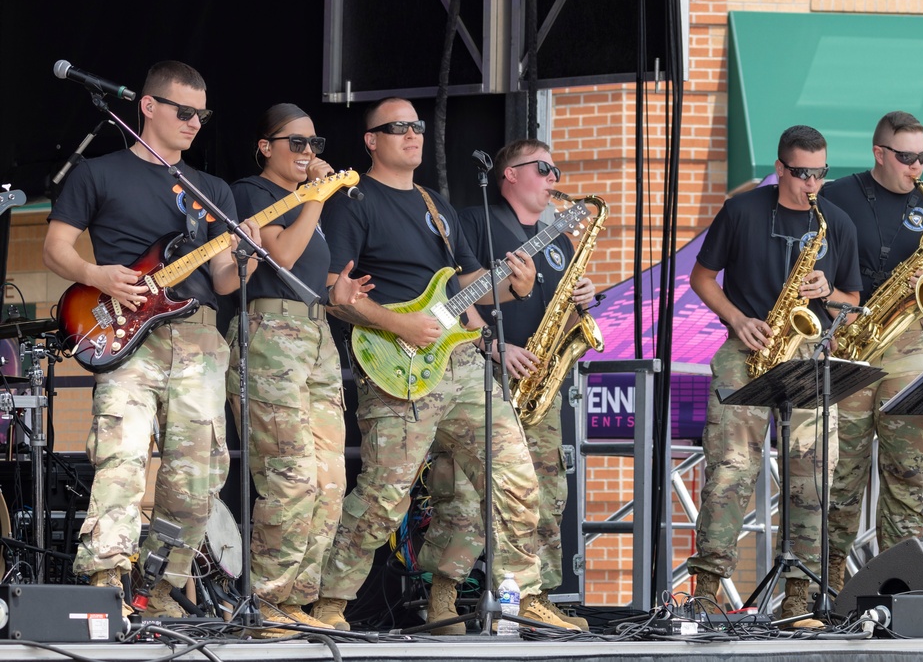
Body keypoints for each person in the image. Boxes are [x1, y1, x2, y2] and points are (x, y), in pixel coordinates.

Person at [315, 96, 581, 631]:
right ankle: (327, 604)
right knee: (384, 495)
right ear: (371, 140)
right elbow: (332, 292)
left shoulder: (435, 203)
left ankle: (517, 596)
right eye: (399, 128)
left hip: (461, 363)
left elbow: (461, 286)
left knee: (514, 478)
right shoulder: (354, 200)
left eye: (417, 126)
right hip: (396, 363)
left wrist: (511, 286)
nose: (413, 134)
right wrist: (401, 325)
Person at [43, 61, 261, 617]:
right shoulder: (99, 172)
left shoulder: (209, 189)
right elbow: (56, 248)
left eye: (202, 114)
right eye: (184, 111)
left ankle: (160, 588)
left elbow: (223, 281)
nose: (195, 122)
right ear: (147, 106)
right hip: (127, 330)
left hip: (199, 338)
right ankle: (107, 585)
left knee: (199, 474)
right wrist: (97, 275)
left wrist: (248, 259)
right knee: (122, 459)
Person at [416, 139, 595, 633]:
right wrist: (493, 345)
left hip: (539, 377)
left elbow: (568, 311)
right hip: (484, 369)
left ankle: (531, 600)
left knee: (545, 490)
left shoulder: (560, 238)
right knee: (465, 492)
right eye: (543, 168)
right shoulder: (475, 220)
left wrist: (585, 298)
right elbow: (455, 291)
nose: (554, 177)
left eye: (556, 168)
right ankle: (444, 598)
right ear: (509, 174)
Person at [687, 125, 862, 626]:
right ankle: (705, 591)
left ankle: (799, 601)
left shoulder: (837, 223)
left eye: (821, 173)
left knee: (811, 480)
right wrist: (737, 318)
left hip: (808, 352)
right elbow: (701, 278)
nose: (813, 183)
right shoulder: (743, 210)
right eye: (803, 173)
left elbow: (851, 302)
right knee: (730, 473)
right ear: (781, 168)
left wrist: (828, 292)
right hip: (748, 347)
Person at [226, 103, 372, 635]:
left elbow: (309, 275)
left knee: (330, 479)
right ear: (266, 147)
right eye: (297, 143)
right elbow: (281, 257)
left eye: (316, 144)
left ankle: (298, 601)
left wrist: (341, 294)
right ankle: (264, 602)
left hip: (314, 333)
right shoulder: (251, 194)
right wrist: (312, 196)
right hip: (269, 334)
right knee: (289, 478)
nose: (310, 154)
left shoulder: (308, 205)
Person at [821, 111, 923, 591]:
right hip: (851, 334)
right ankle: (820, 596)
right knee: (838, 475)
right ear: (880, 154)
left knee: (908, 474)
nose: (917, 168)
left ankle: (899, 589)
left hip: (910, 340)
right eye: (907, 157)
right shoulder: (835, 196)